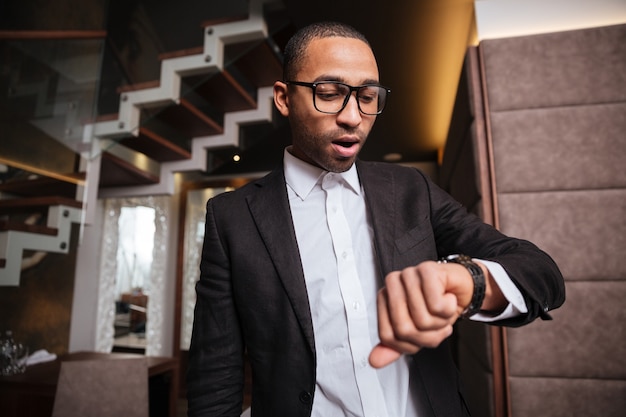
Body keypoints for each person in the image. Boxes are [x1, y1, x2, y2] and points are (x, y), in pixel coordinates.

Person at [186, 21, 565, 417]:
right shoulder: (231, 218)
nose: (354, 117)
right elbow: (215, 376)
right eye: (329, 94)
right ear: (284, 98)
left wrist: (467, 281)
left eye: (368, 97)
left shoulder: (410, 190)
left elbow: (542, 274)